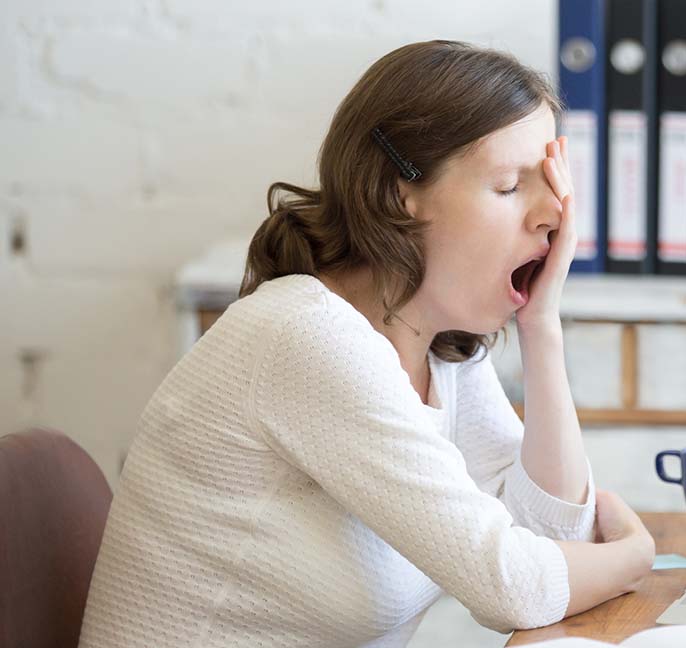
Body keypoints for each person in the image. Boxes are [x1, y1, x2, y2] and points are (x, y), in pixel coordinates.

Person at [79, 40, 655, 647]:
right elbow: (513, 586)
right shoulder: (309, 337)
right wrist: (634, 556)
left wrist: (542, 328)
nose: (552, 217)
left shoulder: (437, 347)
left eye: (551, 183)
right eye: (510, 186)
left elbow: (549, 540)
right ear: (397, 194)